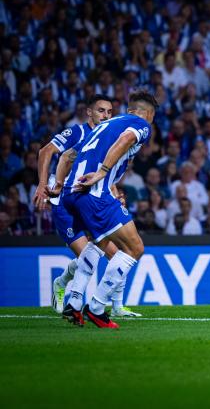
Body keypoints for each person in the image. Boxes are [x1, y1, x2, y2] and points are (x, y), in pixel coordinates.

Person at [48, 90, 157, 328]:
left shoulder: (101, 126)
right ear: (147, 113)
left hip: (69, 194)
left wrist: (58, 184)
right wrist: (102, 172)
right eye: (152, 116)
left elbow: (67, 156)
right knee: (134, 247)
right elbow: (126, 140)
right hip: (93, 193)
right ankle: (97, 308)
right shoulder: (140, 124)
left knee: (96, 244)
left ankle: (74, 302)